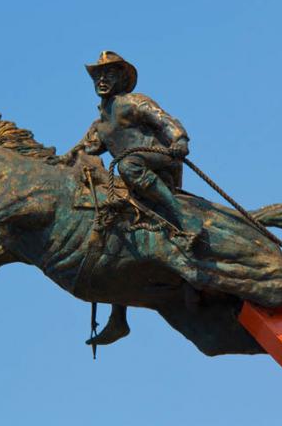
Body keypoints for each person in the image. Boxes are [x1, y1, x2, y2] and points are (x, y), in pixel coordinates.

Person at [53, 51, 203, 345]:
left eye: (108, 74)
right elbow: (79, 152)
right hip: (134, 173)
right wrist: (55, 165)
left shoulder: (132, 102)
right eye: (98, 76)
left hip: (157, 162)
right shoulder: (100, 124)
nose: (102, 80)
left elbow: (163, 120)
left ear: (123, 78)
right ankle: (118, 318)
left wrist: (180, 139)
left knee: (127, 165)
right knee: (113, 223)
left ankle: (184, 217)